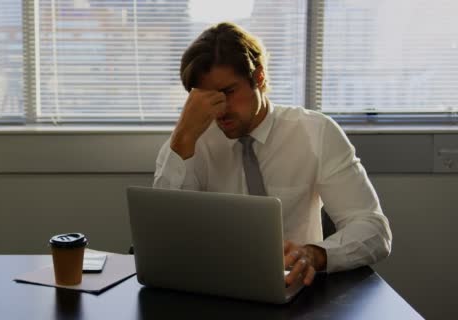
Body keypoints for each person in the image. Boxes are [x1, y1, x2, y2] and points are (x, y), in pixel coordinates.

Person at [153, 22, 392, 286]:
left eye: (228, 93)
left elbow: (374, 229)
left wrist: (314, 255)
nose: (219, 110)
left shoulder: (316, 132)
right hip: (214, 288)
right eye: (205, 97)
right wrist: (182, 138)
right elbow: (163, 239)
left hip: (296, 287)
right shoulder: (190, 140)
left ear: (259, 78)